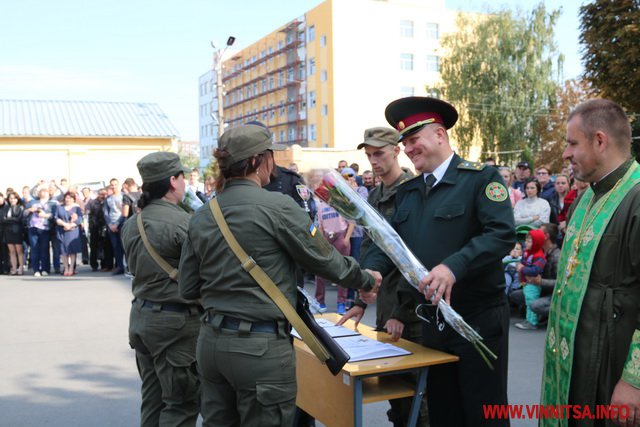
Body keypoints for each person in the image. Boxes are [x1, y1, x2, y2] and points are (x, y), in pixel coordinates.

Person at [178, 124, 378, 427]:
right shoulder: (277, 206)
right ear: (260, 160)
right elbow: (326, 262)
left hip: (211, 344)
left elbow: (188, 286)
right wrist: (366, 280)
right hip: (260, 349)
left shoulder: (203, 214)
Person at [361, 96, 515, 426]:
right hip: (432, 322)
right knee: (444, 412)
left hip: (476, 319)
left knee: (484, 411)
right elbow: (390, 244)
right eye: (405, 142)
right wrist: (371, 272)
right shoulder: (409, 191)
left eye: (414, 139)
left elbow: (500, 234)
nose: (409, 148)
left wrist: (452, 266)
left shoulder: (480, 179)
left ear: (440, 135)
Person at [541, 99, 640, 426]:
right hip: (575, 364)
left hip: (611, 369)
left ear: (600, 140)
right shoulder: (584, 199)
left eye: (572, 143)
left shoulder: (636, 198)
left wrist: (634, 380)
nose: (566, 154)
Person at [340, 126, 424, 427]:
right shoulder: (375, 195)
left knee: (417, 395)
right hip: (385, 306)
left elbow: (415, 257)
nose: (374, 161)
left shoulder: (415, 190)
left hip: (410, 310)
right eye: (369, 155)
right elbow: (371, 251)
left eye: (380, 154)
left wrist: (401, 310)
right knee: (395, 393)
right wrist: (360, 301)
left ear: (396, 151)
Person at [121, 152, 201, 426]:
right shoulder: (184, 223)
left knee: (153, 400)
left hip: (142, 318)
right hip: (176, 326)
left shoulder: (132, 224)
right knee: (181, 405)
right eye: (182, 178)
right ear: (173, 181)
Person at [508, 223, 560, 325]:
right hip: (539, 289)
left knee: (534, 305)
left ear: (546, 236)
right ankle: (537, 314)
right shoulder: (539, 251)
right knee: (515, 295)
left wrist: (541, 282)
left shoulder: (557, 256)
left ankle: (552, 315)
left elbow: (561, 283)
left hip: (553, 293)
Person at [514, 229, 546, 330]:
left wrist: (522, 268)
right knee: (528, 301)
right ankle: (528, 319)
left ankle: (532, 322)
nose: (526, 243)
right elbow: (523, 261)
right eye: (526, 240)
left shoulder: (539, 256)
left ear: (536, 243)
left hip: (533, 284)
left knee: (531, 300)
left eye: (529, 241)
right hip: (527, 283)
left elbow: (536, 270)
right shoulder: (527, 253)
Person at [55, 192, 83, 276]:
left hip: (72, 231)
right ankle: (66, 268)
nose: (68, 199)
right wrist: (65, 224)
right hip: (62, 230)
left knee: (72, 250)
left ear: (73, 199)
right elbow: (56, 218)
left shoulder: (76, 208)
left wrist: (70, 225)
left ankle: (71, 268)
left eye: (70, 198)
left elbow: (80, 219)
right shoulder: (59, 207)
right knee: (63, 250)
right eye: (67, 198)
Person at [104, 178, 125, 274]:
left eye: (115, 184)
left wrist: (117, 223)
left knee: (124, 246)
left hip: (122, 223)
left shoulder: (123, 196)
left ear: (119, 185)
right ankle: (120, 267)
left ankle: (129, 267)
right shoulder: (108, 198)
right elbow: (106, 213)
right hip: (111, 225)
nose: (114, 186)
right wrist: (110, 224)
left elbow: (124, 212)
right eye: (112, 184)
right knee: (116, 247)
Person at [3, 192, 25, 275]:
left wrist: (8, 219)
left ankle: (21, 268)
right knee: (11, 251)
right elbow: (3, 219)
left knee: (19, 251)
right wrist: (11, 219)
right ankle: (14, 268)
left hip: (17, 231)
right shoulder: (6, 208)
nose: (12, 200)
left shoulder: (20, 207)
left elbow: (19, 219)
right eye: (10, 198)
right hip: (8, 231)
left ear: (17, 199)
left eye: (14, 198)